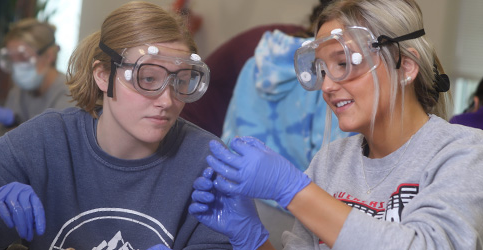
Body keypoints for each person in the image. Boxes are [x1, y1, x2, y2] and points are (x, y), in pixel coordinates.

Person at [189, 0, 483, 249]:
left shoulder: (464, 153)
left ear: (405, 66)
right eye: (322, 70)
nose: (327, 86)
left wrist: (294, 191)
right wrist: (251, 237)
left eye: (343, 64)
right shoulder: (330, 162)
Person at [0, 1, 231, 249]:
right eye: (147, 79)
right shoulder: (48, 140)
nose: (167, 101)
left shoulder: (208, 162)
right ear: (103, 75)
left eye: (182, 81)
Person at [221, 0, 346, 172]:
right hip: (305, 194)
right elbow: (333, 169)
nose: (328, 86)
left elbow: (229, 140)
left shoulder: (254, 63)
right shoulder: (330, 75)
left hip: (238, 181)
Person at [0, 18, 74, 129]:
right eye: (11, 59)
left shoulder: (70, 95)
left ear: (49, 55)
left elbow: (53, 143)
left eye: (23, 57)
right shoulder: (19, 92)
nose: (17, 67)